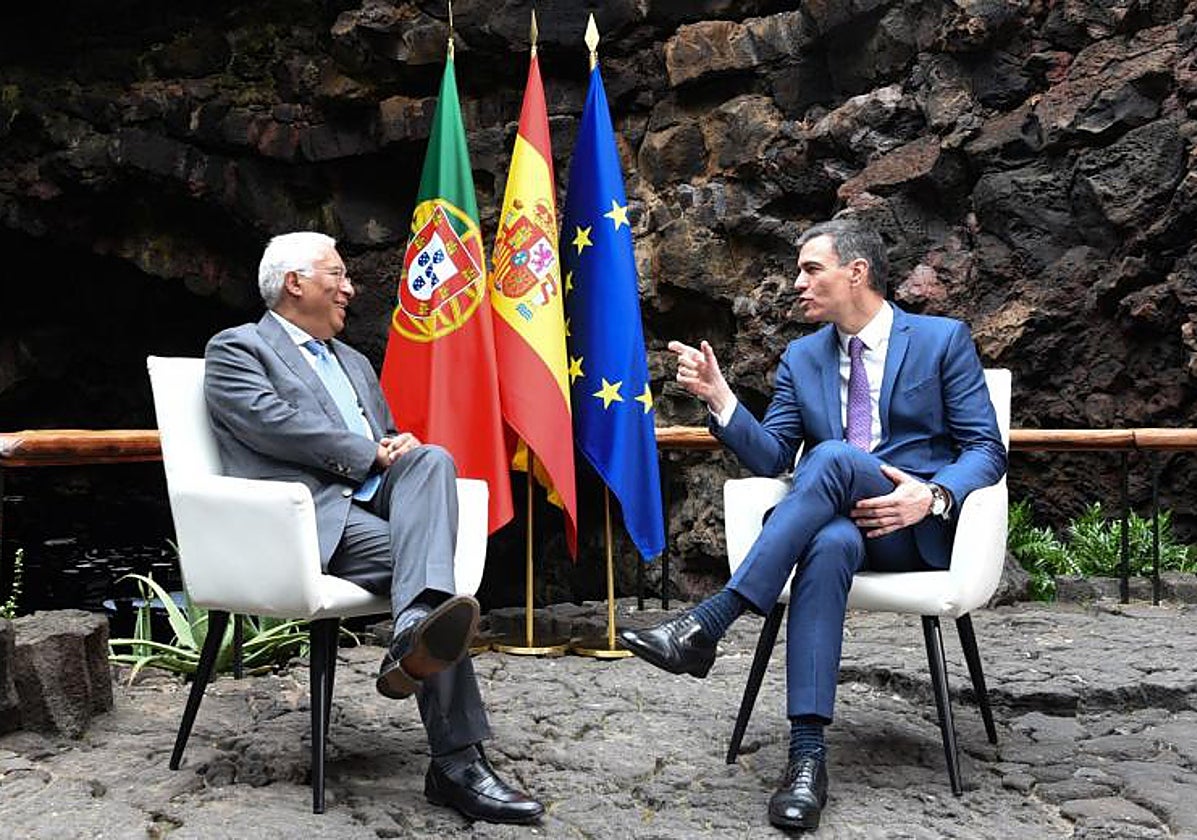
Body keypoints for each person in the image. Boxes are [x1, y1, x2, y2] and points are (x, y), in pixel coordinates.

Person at [620, 218, 1006, 831]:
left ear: (856, 273)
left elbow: (986, 449)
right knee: (825, 542)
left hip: (915, 530)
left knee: (828, 457)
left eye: (810, 268)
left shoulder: (941, 340)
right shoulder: (802, 357)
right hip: (845, 530)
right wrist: (723, 400)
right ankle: (807, 759)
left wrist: (931, 497)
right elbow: (775, 455)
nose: (796, 283)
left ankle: (711, 621)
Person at [204, 231, 543, 825]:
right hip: (304, 520)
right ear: (294, 282)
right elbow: (270, 424)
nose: (349, 289)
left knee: (431, 458)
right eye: (336, 275)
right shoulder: (238, 349)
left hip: (378, 509)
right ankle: (457, 762)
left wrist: (397, 447)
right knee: (439, 589)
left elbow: (387, 445)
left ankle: (412, 629)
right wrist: (371, 451)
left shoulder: (355, 362)